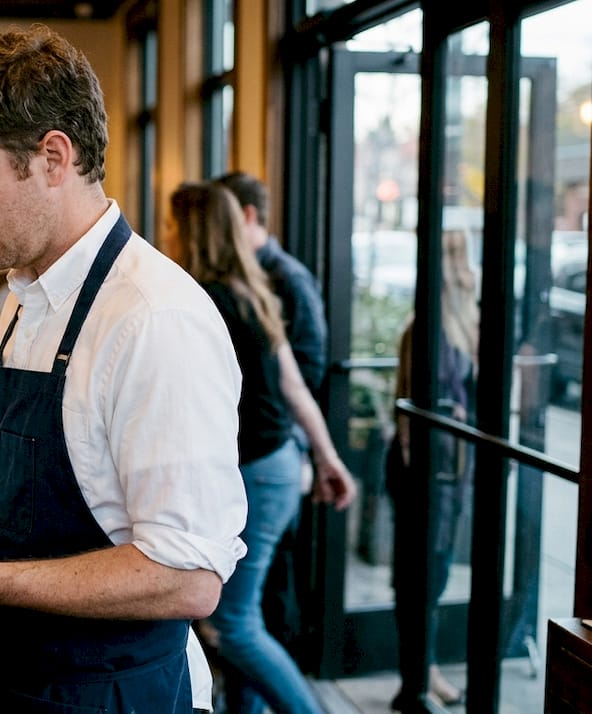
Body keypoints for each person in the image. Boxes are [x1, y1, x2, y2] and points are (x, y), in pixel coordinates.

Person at [0, 26, 248, 713]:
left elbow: (187, 578)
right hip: (12, 677)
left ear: (53, 157)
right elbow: (85, 484)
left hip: (112, 693)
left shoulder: (154, 319)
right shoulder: (26, 293)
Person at [165, 182, 355, 714]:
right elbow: (294, 388)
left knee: (232, 624)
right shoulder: (252, 292)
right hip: (280, 467)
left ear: (195, 232)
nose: (168, 234)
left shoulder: (204, 301)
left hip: (255, 474)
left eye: (174, 225)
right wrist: (326, 457)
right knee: (244, 618)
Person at [214, 171, 327, 663]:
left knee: (259, 609)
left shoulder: (287, 279)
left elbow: (306, 371)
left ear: (246, 215)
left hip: (271, 453)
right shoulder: (237, 282)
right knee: (245, 611)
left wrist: (303, 450)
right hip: (260, 453)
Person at [386, 229, 478, 711]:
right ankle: (417, 679)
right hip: (431, 474)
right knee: (422, 578)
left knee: (429, 577)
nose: (470, 275)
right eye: (462, 264)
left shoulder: (457, 326)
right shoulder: (431, 329)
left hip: (443, 472)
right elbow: (425, 410)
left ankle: (423, 674)